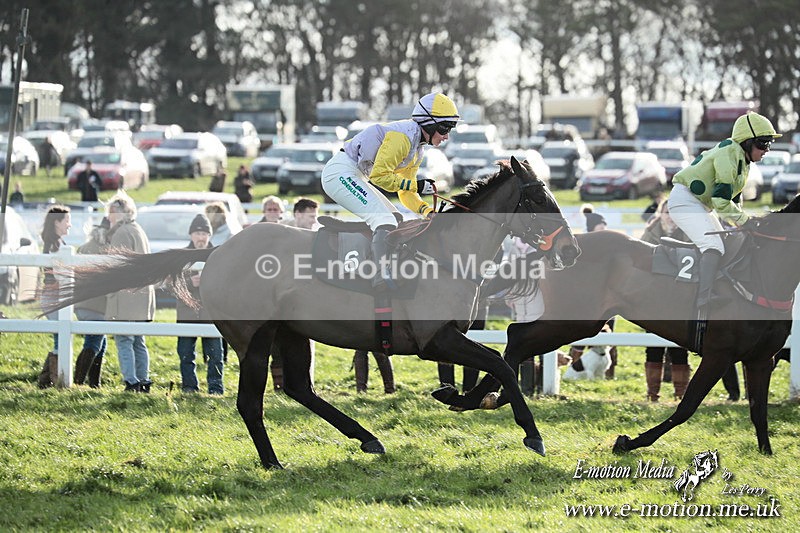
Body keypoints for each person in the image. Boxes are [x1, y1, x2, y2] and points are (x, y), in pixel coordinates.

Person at [320, 91, 458, 290]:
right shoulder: (402, 138)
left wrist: (426, 210)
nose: (446, 136)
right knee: (384, 220)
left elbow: (406, 192)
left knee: (396, 218)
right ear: (428, 123)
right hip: (340, 173)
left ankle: (382, 266)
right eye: (445, 128)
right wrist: (416, 185)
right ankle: (379, 277)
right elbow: (380, 177)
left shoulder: (417, 148)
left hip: (355, 174)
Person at [668, 111, 781, 326]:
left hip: (698, 204)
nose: (766, 150)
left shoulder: (741, 159)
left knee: (727, 243)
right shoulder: (730, 154)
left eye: (768, 144)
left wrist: (746, 221)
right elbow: (720, 202)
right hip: (686, 202)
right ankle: (704, 299)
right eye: (763, 144)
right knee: (714, 246)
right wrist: (746, 221)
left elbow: (734, 203)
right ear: (747, 142)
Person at [639, 200, 692, 400]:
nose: (670, 216)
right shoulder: (650, 233)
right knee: (653, 347)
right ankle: (652, 394)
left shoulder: (688, 233)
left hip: (680, 299)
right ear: (660, 214)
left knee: (679, 348)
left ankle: (681, 394)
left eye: (674, 212)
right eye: (667, 212)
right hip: (654, 298)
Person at [105, 192, 155, 392]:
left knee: (124, 340)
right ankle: (143, 379)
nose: (108, 217)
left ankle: (131, 380)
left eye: (110, 212)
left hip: (126, 295)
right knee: (138, 341)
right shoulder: (138, 229)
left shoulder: (122, 233)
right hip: (141, 295)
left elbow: (116, 265)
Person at [176, 214, 224, 394]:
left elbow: (227, 283)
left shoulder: (219, 255)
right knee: (186, 354)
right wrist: (191, 283)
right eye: (197, 233)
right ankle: (189, 387)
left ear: (209, 235)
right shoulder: (180, 256)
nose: (201, 237)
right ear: (190, 235)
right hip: (186, 314)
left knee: (216, 356)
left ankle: (216, 388)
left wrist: (208, 280)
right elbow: (172, 284)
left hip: (212, 314)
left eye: (204, 233)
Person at [36, 205, 71, 388]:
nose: (69, 225)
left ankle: (46, 379)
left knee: (60, 336)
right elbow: (59, 274)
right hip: (53, 296)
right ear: (57, 222)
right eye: (66, 220)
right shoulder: (55, 245)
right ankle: (54, 380)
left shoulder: (55, 243)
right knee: (61, 337)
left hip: (53, 296)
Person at [73, 217, 111, 388]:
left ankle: (94, 384)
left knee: (100, 344)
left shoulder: (85, 247)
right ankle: (79, 382)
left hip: (82, 304)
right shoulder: (106, 249)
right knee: (94, 343)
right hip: (94, 305)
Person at [258, 195, 286, 389]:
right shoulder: (253, 233)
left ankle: (280, 384)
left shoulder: (289, 233)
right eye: (269, 209)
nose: (273, 212)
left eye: (276, 209)